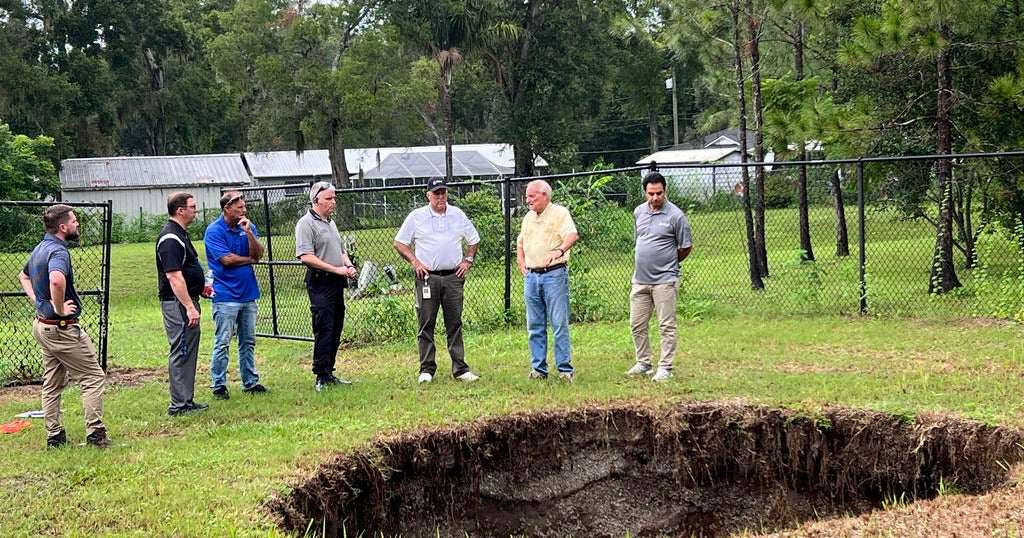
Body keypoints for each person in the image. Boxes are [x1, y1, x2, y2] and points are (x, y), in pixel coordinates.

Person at [19, 204, 112, 448]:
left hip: (42, 326)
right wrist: (59, 308)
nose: (77, 224)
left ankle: (55, 437)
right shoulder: (58, 251)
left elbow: (24, 276)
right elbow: (56, 280)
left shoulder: (40, 247)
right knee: (92, 377)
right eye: (73, 221)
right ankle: (96, 435)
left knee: (52, 383)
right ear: (63, 227)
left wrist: (40, 302)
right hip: (61, 329)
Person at [394, 177, 482, 384]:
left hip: (453, 277)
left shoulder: (457, 215)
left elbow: (474, 239)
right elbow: (399, 242)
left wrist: (468, 260)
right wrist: (415, 262)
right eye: (436, 193)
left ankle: (460, 368)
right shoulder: (417, 217)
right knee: (426, 323)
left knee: (455, 322)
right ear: (428, 196)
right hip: (427, 278)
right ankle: (426, 369)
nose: (440, 197)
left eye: (443, 193)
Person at [626, 172, 693, 382]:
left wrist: (669, 263)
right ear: (644, 192)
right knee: (637, 324)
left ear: (665, 191)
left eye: (659, 193)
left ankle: (665, 368)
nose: (655, 198)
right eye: (651, 193)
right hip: (640, 280)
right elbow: (640, 240)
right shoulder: (639, 212)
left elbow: (686, 247)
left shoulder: (676, 216)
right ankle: (643, 363)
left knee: (666, 325)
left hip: (665, 281)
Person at [295, 181, 358, 391]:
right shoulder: (306, 224)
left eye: (334, 198)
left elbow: (340, 250)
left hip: (336, 281)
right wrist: (335, 269)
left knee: (336, 326)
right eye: (329, 198)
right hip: (320, 281)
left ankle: (330, 371)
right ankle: (320, 374)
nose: (333, 202)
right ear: (316, 200)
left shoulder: (330, 222)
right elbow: (306, 256)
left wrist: (348, 265)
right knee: (324, 327)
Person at [204, 191, 266, 399]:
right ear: (227, 208)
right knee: (223, 341)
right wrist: (249, 260)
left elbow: (258, 254)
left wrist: (248, 233)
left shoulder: (247, 226)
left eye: (244, 206)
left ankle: (250, 381)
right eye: (240, 207)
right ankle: (218, 384)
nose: (244, 210)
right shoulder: (214, 231)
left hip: (248, 293)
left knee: (248, 341)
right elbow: (227, 260)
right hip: (225, 295)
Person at [516, 179, 579, 381]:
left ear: (545, 195)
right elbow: (520, 241)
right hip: (531, 276)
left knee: (559, 323)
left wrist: (558, 251)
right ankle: (538, 369)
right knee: (534, 325)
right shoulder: (528, 217)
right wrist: (520, 259)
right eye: (527, 196)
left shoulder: (560, 213)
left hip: (554, 274)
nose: (528, 200)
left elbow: (572, 235)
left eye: (532, 196)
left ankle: (565, 369)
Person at [156, 192, 211, 417]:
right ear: (180, 210)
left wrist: (199, 287)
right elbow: (173, 276)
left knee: (187, 349)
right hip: (177, 304)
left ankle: (186, 400)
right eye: (192, 207)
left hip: (186, 301)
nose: (195, 210)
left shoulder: (180, 234)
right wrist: (189, 307)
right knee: (181, 349)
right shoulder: (170, 238)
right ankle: (178, 405)